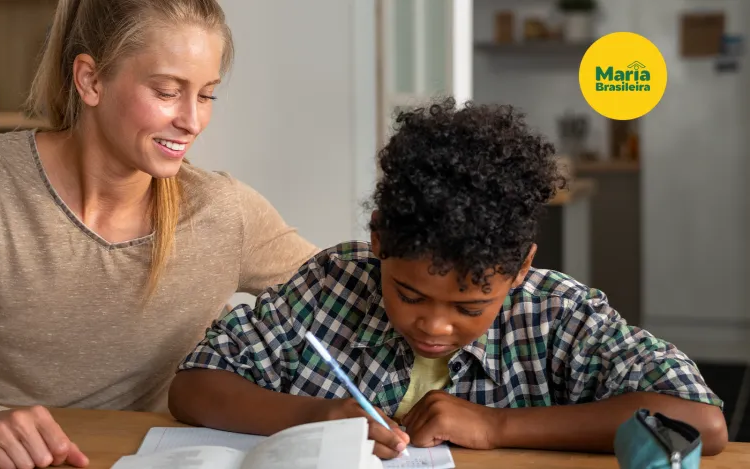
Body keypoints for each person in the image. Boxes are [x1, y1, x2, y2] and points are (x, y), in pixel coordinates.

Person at [0, 1, 318, 468]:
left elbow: (366, 289)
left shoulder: (224, 212)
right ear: (90, 80)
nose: (192, 121)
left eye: (207, 95)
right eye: (166, 92)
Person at [169, 97, 728, 459]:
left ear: (520, 269)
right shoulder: (332, 284)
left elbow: (702, 421)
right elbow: (193, 386)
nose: (434, 324)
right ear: (379, 243)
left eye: (470, 307)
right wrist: (315, 415)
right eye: (409, 294)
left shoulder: (556, 314)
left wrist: (497, 428)